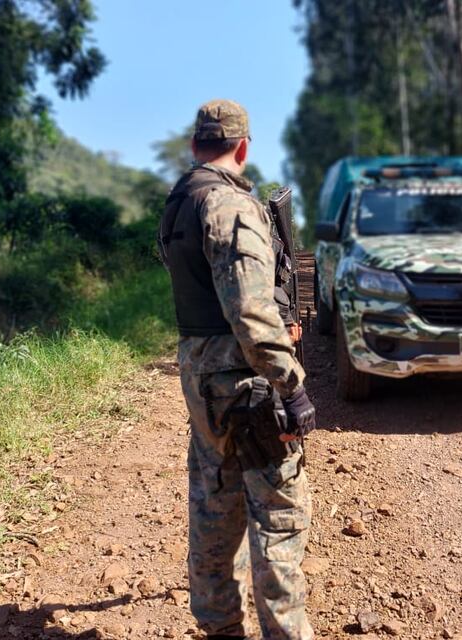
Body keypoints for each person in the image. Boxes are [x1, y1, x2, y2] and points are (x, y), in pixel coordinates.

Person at [158, 99, 316, 640]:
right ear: (242, 148)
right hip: (247, 381)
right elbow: (249, 310)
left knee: (214, 501)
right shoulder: (230, 205)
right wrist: (290, 384)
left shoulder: (179, 202)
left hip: (201, 377)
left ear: (194, 145)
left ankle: (220, 626)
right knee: (278, 514)